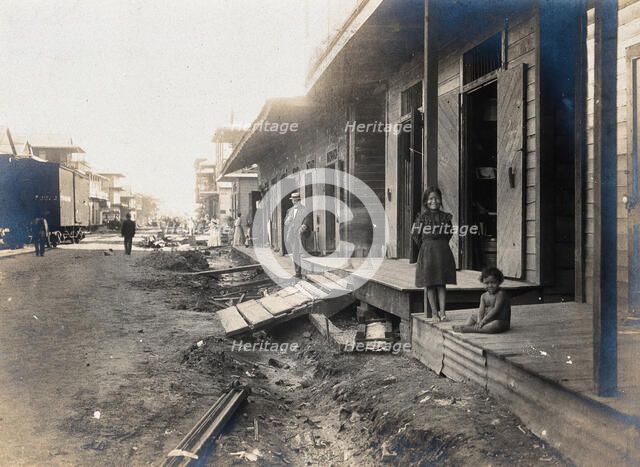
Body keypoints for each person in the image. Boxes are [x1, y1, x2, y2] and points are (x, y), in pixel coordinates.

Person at [412, 187, 457, 321]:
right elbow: (416, 235)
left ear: (440, 200)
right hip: (428, 252)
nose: (434, 201)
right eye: (431, 198)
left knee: (441, 283)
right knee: (430, 283)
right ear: (426, 201)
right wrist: (426, 245)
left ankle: (443, 313)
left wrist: (441, 243)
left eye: (437, 198)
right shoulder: (422, 217)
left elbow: (449, 233)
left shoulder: (445, 217)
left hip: (442, 252)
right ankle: (434, 314)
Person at [453, 267, 511, 334]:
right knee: (473, 316)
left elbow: (496, 310)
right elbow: (481, 310)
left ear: (499, 282)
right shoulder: (483, 296)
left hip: (501, 321)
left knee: (494, 325)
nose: (490, 285)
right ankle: (466, 326)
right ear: (482, 282)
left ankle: (470, 329)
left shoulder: (500, 294)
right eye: (487, 283)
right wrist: (479, 321)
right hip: (487, 320)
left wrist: (483, 321)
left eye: (493, 282)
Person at [283, 192, 312, 278]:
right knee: (295, 253)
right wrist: (288, 220)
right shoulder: (290, 210)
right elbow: (285, 222)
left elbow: (307, 220)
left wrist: (303, 227)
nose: (294, 202)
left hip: (301, 234)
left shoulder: (305, 209)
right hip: (292, 234)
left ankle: (304, 273)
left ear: (298, 201)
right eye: (293, 201)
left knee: (302, 253)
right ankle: (298, 273)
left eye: (296, 201)